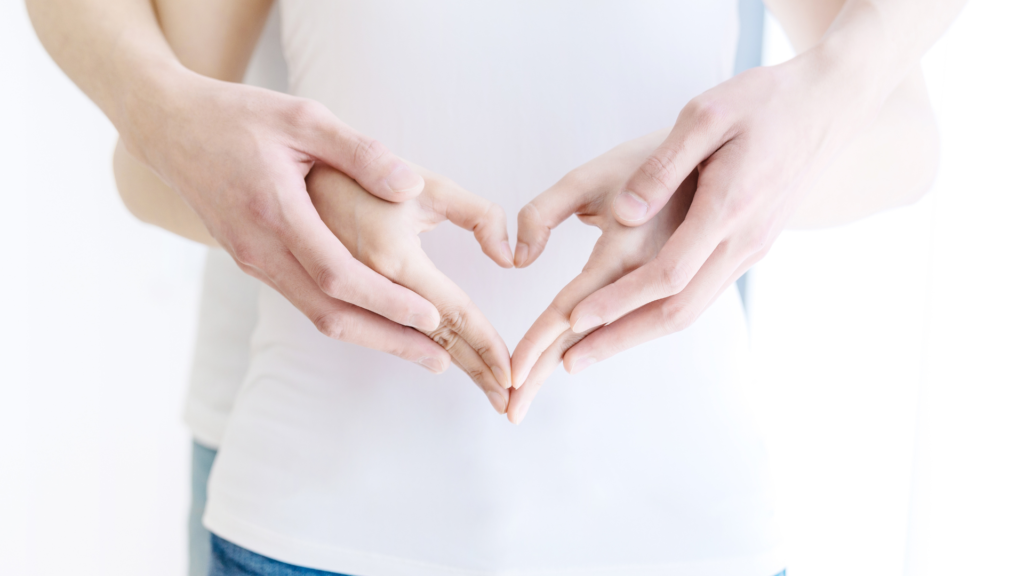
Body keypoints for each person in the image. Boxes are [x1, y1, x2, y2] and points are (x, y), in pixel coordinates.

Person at [26, 0, 961, 575]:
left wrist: (712, 195)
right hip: (328, 508)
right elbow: (162, 154)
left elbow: (899, 130)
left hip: (673, 517)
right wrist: (314, 207)